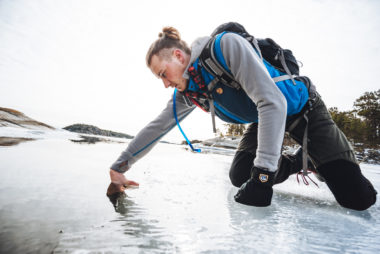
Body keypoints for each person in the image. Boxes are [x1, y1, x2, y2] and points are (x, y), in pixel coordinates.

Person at [109, 24, 377, 211]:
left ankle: (328, 160)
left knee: (358, 199)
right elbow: (158, 127)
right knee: (240, 176)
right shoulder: (190, 91)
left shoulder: (225, 47)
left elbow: (273, 102)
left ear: (178, 56)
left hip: (302, 110)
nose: (164, 83)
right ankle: (302, 161)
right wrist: (119, 167)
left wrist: (263, 178)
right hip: (264, 118)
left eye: (162, 73)